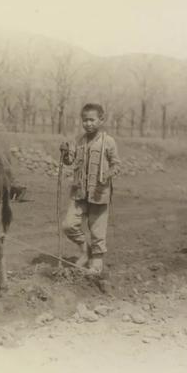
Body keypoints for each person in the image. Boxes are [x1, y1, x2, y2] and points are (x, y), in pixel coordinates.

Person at [60, 103, 121, 275]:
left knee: (97, 230)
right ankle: (85, 251)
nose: (88, 124)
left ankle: (97, 263)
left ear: (101, 120)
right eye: (85, 120)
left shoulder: (108, 142)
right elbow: (69, 161)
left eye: (92, 120)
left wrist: (107, 174)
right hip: (79, 193)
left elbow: (117, 165)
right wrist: (65, 153)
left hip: (99, 194)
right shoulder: (79, 141)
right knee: (68, 225)